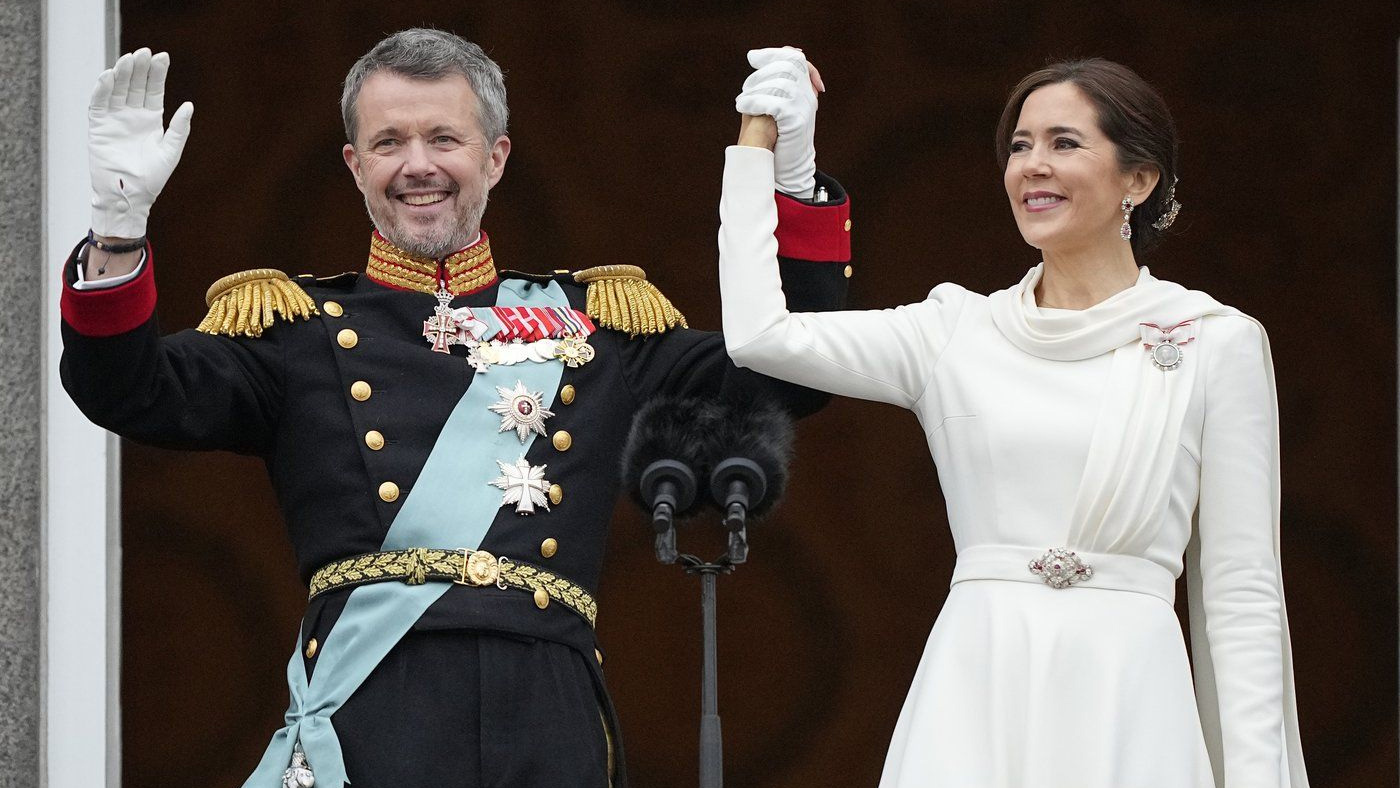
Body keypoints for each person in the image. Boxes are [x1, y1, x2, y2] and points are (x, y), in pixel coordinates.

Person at [59, 30, 852, 788]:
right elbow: (128, 389)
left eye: (444, 138)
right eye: (388, 142)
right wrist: (118, 234)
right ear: (353, 165)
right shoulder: (293, 331)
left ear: (495, 157)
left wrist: (794, 184)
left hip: (549, 712)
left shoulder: (603, 324)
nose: (417, 166)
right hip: (373, 714)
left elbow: (793, 376)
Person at [720, 50, 1308, 787]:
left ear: (1139, 178)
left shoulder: (1213, 340)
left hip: (1130, 695)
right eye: (1019, 146)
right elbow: (758, 337)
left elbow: (1242, 595)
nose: (1033, 164)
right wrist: (770, 159)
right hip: (976, 687)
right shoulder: (954, 331)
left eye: (1065, 143)